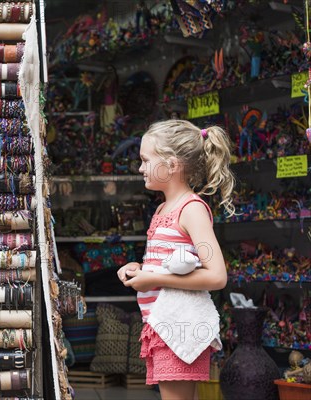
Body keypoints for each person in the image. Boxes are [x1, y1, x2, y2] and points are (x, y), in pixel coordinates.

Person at [117, 120, 235, 400]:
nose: (141, 168)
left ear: (171, 165)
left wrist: (153, 278)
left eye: (146, 160)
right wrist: (141, 270)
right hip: (163, 324)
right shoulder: (162, 209)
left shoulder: (191, 209)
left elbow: (217, 275)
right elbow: (173, 263)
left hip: (179, 326)